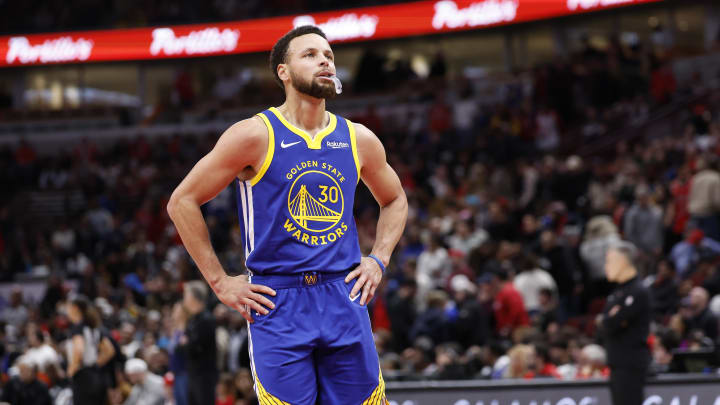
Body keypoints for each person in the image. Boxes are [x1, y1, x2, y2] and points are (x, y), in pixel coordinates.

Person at [167, 25, 407, 404]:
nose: (324, 61)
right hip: (278, 300)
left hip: (342, 295)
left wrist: (379, 259)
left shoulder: (358, 138)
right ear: (283, 72)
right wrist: (219, 282)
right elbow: (182, 201)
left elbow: (394, 199)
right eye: (309, 55)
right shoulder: (253, 135)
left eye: (328, 55)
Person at [598, 241, 651, 405]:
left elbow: (610, 323)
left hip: (630, 364)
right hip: (617, 363)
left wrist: (609, 321)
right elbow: (604, 325)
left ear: (623, 261)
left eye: (609, 261)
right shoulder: (617, 293)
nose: (606, 266)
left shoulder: (638, 291)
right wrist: (609, 321)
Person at [66, 296, 116, 405]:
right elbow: (109, 351)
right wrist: (95, 365)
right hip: (97, 377)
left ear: (75, 308)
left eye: (68, 307)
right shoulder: (94, 327)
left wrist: (72, 369)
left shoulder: (77, 327)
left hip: (83, 378)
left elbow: (79, 349)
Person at [182, 281, 218, 405]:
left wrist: (186, 342)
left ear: (193, 297)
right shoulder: (193, 320)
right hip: (193, 372)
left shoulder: (206, 319)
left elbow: (195, 347)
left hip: (204, 375)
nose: (184, 299)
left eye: (186, 295)